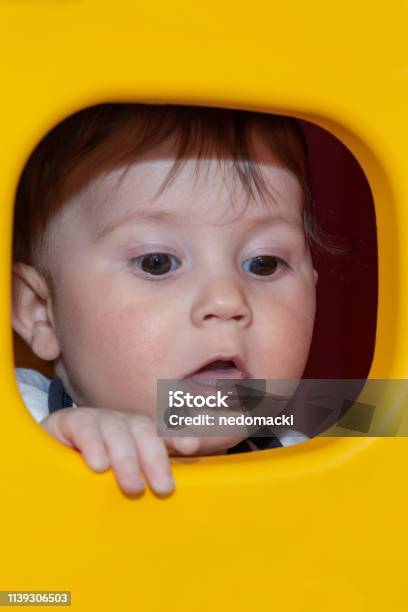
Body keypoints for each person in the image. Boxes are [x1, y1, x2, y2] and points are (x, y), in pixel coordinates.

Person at [12, 103, 320, 497]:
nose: (226, 301)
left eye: (263, 263)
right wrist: (42, 462)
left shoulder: (308, 457)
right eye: (157, 263)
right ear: (41, 311)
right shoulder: (21, 416)